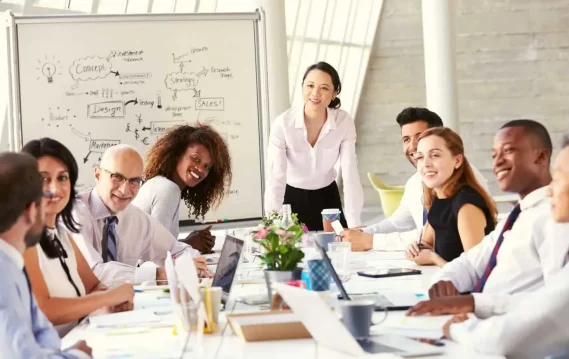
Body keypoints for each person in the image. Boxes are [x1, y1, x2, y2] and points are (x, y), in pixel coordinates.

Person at [436, 134, 569, 359]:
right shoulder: (518, 216)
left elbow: (509, 339)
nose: (550, 190)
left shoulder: (551, 221)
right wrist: (470, 300)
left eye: (558, 178)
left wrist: (459, 326)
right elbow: (548, 300)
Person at [406, 119, 554, 319]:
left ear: (542, 157)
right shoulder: (516, 216)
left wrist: (471, 303)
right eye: (494, 155)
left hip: (506, 328)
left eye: (508, 151)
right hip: (480, 319)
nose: (497, 162)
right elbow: (471, 262)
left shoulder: (554, 219)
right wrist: (446, 281)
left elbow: (554, 300)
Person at [21, 138, 135, 337]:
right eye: (43, 179)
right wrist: (106, 299)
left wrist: (110, 301)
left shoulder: (61, 232)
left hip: (78, 340)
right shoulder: (22, 239)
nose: (55, 188)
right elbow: (44, 310)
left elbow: (93, 285)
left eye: (62, 178)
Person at [342, 107, 489, 251]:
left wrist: (371, 241)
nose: (413, 146)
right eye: (406, 139)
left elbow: (442, 236)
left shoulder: (465, 188)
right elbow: (399, 224)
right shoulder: (416, 182)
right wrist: (362, 233)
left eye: (420, 137)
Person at [71, 144, 207, 286]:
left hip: (123, 304)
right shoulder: (74, 214)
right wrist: (159, 274)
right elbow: (92, 272)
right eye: (117, 177)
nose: (124, 190)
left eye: (134, 181)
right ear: (97, 175)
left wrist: (193, 263)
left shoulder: (135, 218)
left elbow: (175, 249)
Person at [0, 152, 92, 359]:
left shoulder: (13, 263)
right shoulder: (3, 275)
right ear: (32, 210)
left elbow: (42, 333)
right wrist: (79, 355)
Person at [264, 61, 363, 230]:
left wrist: (355, 224)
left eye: (324, 88)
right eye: (310, 85)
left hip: (328, 197)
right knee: (292, 252)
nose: (315, 93)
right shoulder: (283, 124)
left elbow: (350, 172)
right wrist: (272, 224)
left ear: (334, 92)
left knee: (339, 246)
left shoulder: (343, 122)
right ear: (302, 87)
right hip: (291, 197)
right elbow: (276, 177)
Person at [404, 127, 497, 266]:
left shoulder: (467, 205)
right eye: (420, 157)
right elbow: (426, 243)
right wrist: (416, 249)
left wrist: (433, 259)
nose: (426, 164)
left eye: (435, 155)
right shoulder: (439, 197)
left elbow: (476, 270)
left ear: (457, 161)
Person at [133, 124, 232, 253]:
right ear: (177, 155)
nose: (201, 169)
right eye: (195, 159)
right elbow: (157, 252)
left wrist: (189, 242)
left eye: (207, 167)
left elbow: (157, 245)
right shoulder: (167, 188)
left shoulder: (162, 185)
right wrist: (191, 244)